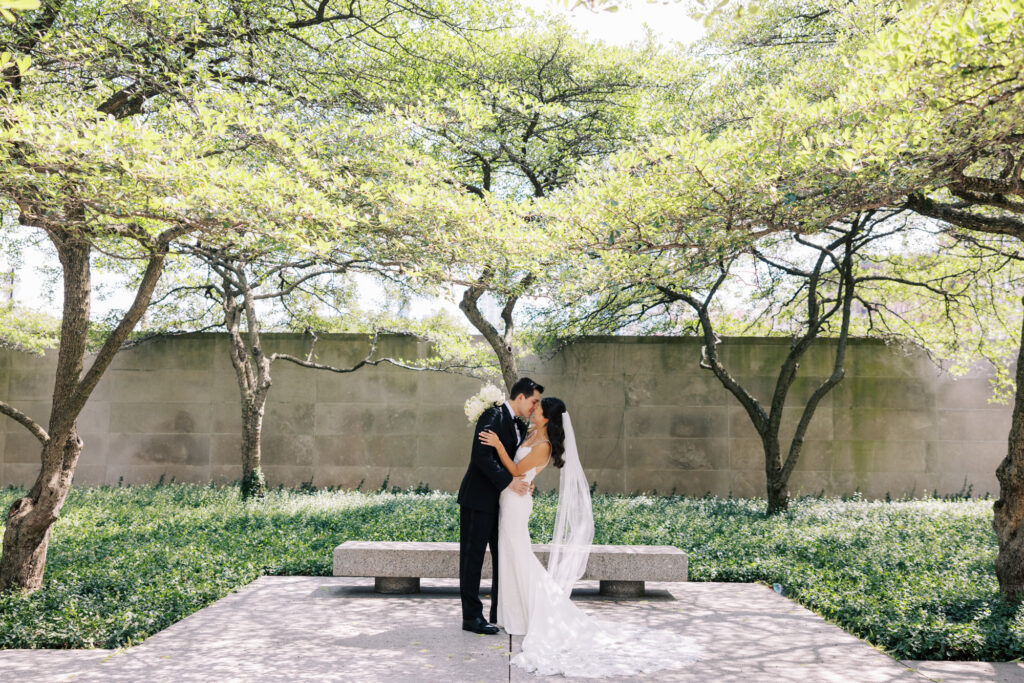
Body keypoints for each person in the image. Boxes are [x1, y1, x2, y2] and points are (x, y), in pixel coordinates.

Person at [479, 397, 702, 677]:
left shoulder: (544, 446)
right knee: (511, 556)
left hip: (517, 502)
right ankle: (514, 615)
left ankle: (534, 614)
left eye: (539, 409)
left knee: (520, 555)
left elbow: (515, 471)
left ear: (547, 418)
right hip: (509, 498)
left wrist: (498, 446)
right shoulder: (531, 432)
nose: (533, 410)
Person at [457, 377, 542, 635]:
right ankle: (472, 617)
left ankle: (499, 612)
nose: (535, 407)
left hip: (503, 504)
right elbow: (481, 456)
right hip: (478, 499)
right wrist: (509, 482)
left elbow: (515, 462)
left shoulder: (520, 426)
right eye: (533, 401)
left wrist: (526, 480)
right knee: (472, 558)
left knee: (502, 556)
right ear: (520, 397)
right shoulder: (492, 416)